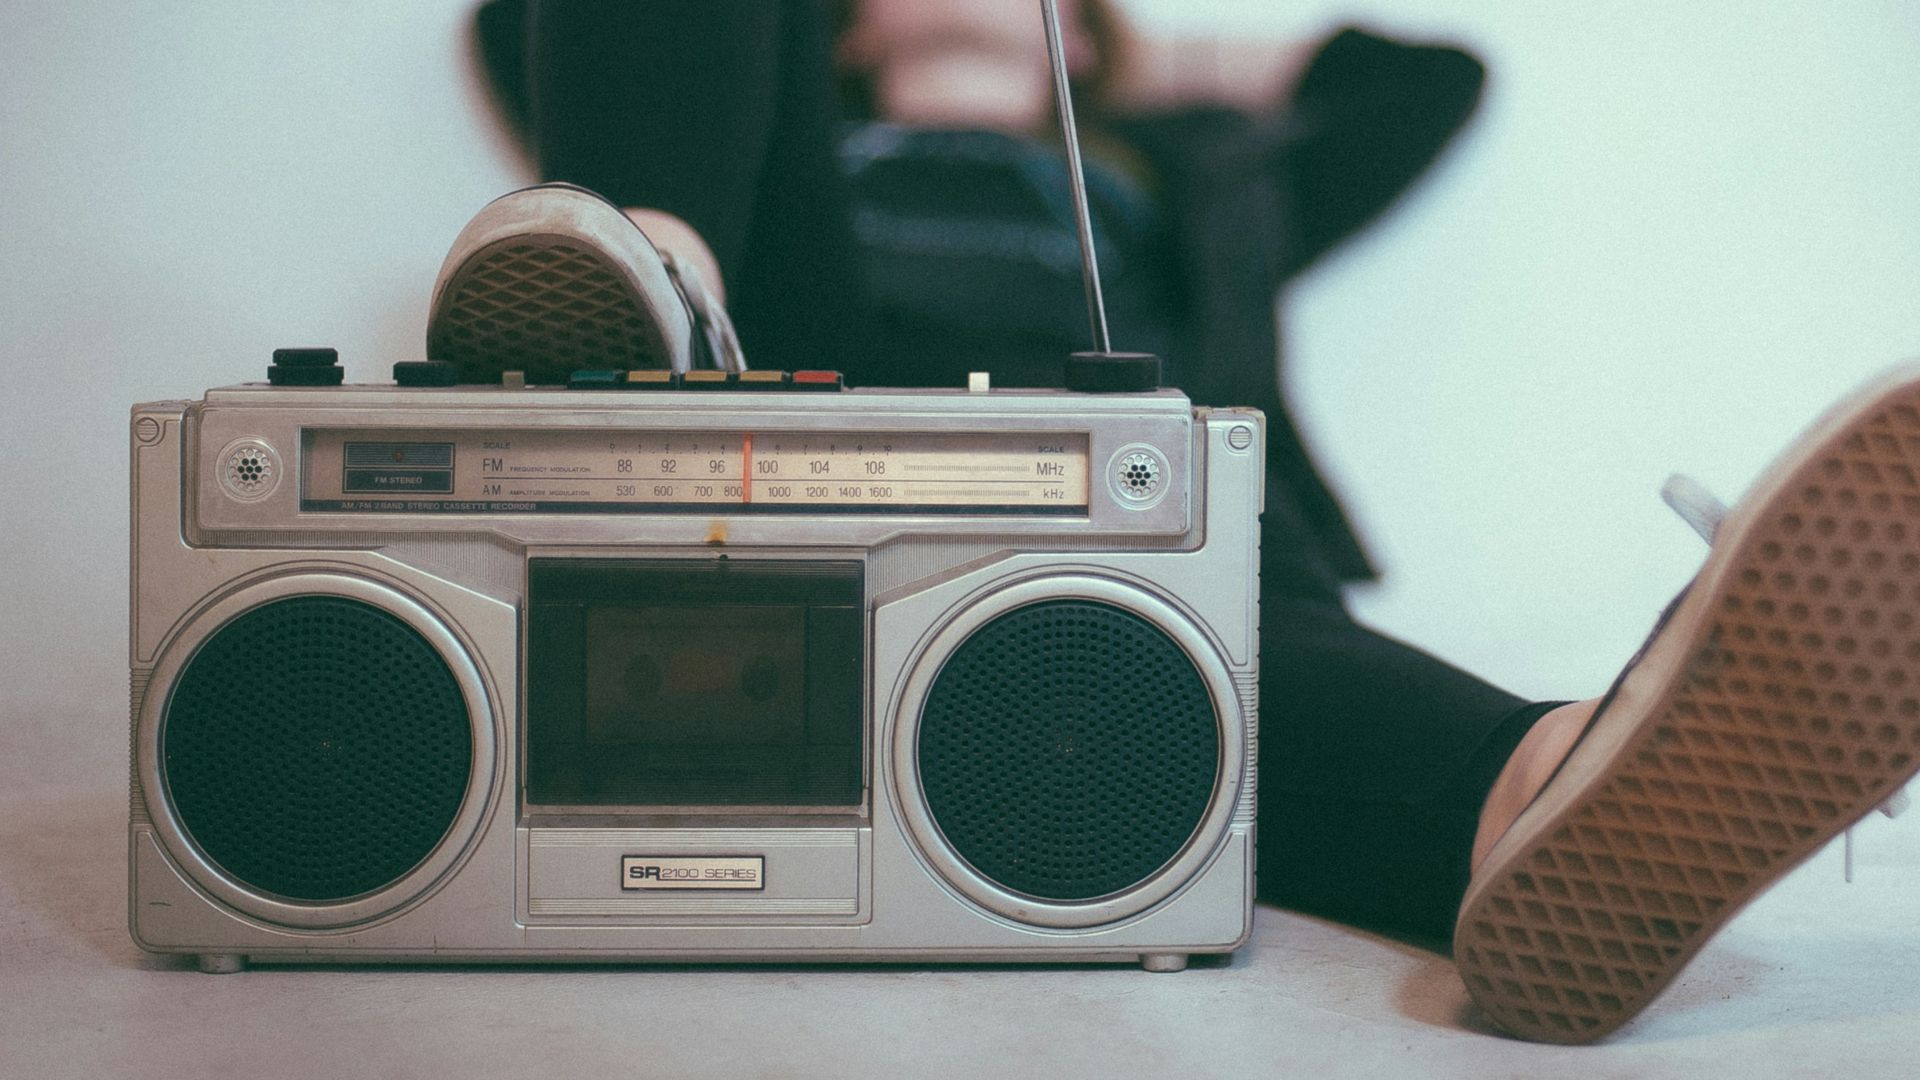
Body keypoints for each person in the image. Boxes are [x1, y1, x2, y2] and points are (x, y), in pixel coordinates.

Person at [429, 0, 1920, 1044]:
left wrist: (1136, 50)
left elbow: (1426, 78)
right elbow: (527, 22)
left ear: (1078, 33)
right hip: (807, 430)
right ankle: (652, 286)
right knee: (692, 272)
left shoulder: (1188, 172)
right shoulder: (791, 139)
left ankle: (1540, 785)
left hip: (1120, 511)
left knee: (1205, 580)